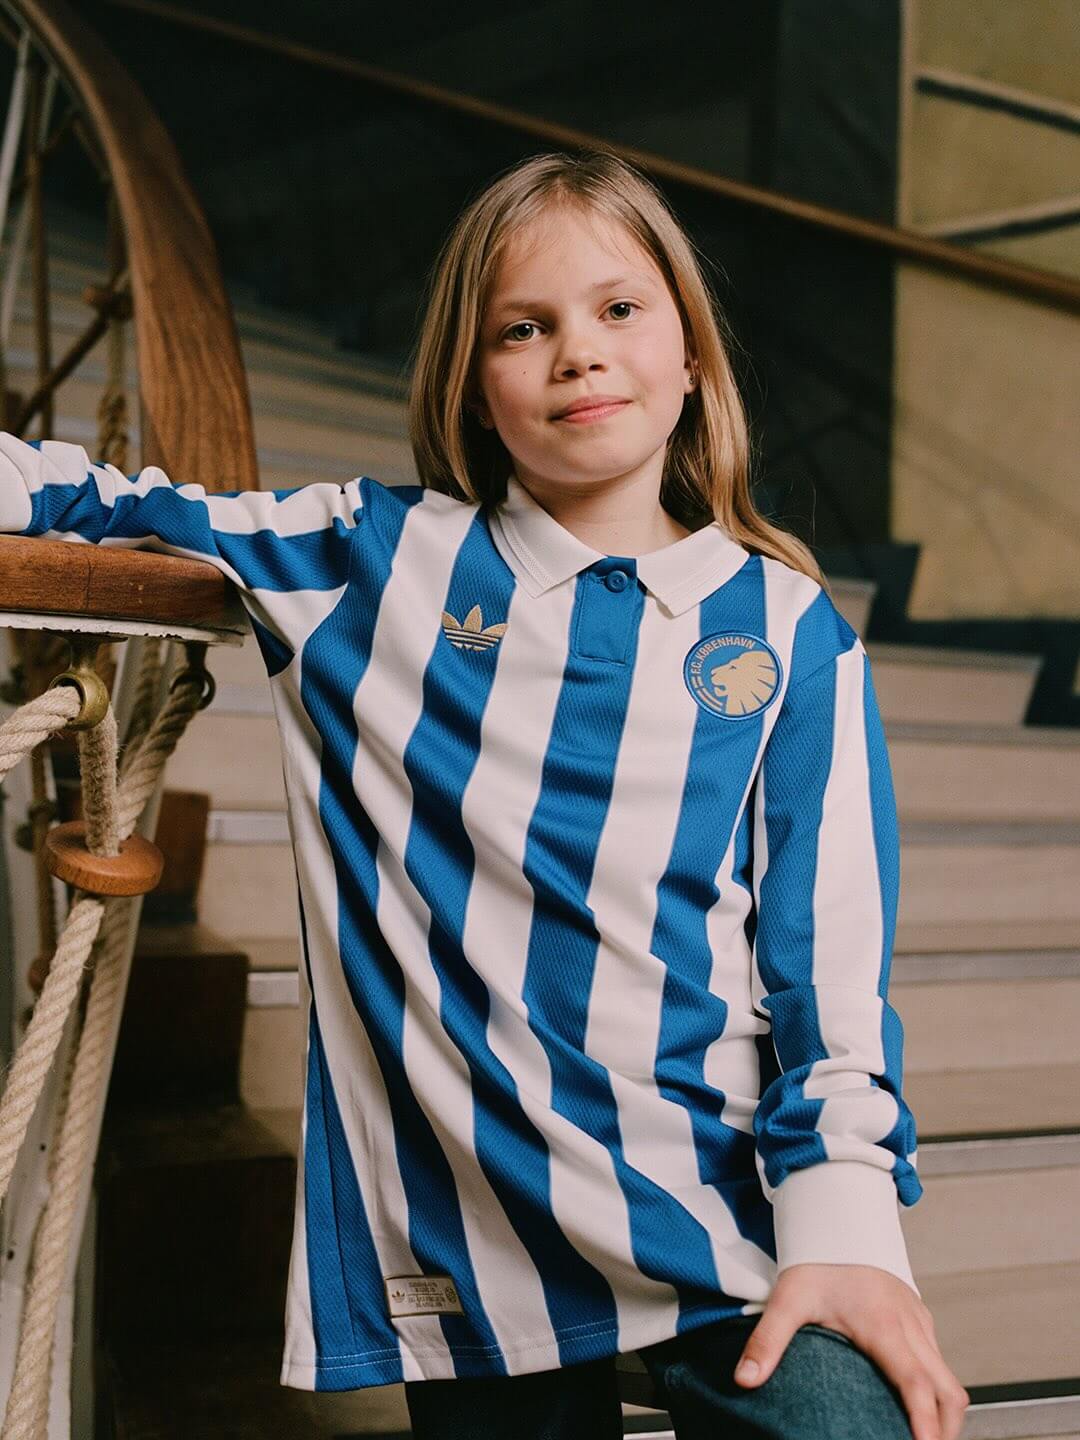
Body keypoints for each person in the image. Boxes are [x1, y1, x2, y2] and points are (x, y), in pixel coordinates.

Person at [0, 149, 969, 1440]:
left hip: (727, 1209)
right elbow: (94, 499)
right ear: (473, 385)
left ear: (691, 355)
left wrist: (847, 1231)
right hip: (476, 1236)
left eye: (619, 309)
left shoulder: (793, 635)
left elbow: (828, 978)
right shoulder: (374, 563)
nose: (579, 352)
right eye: (525, 328)